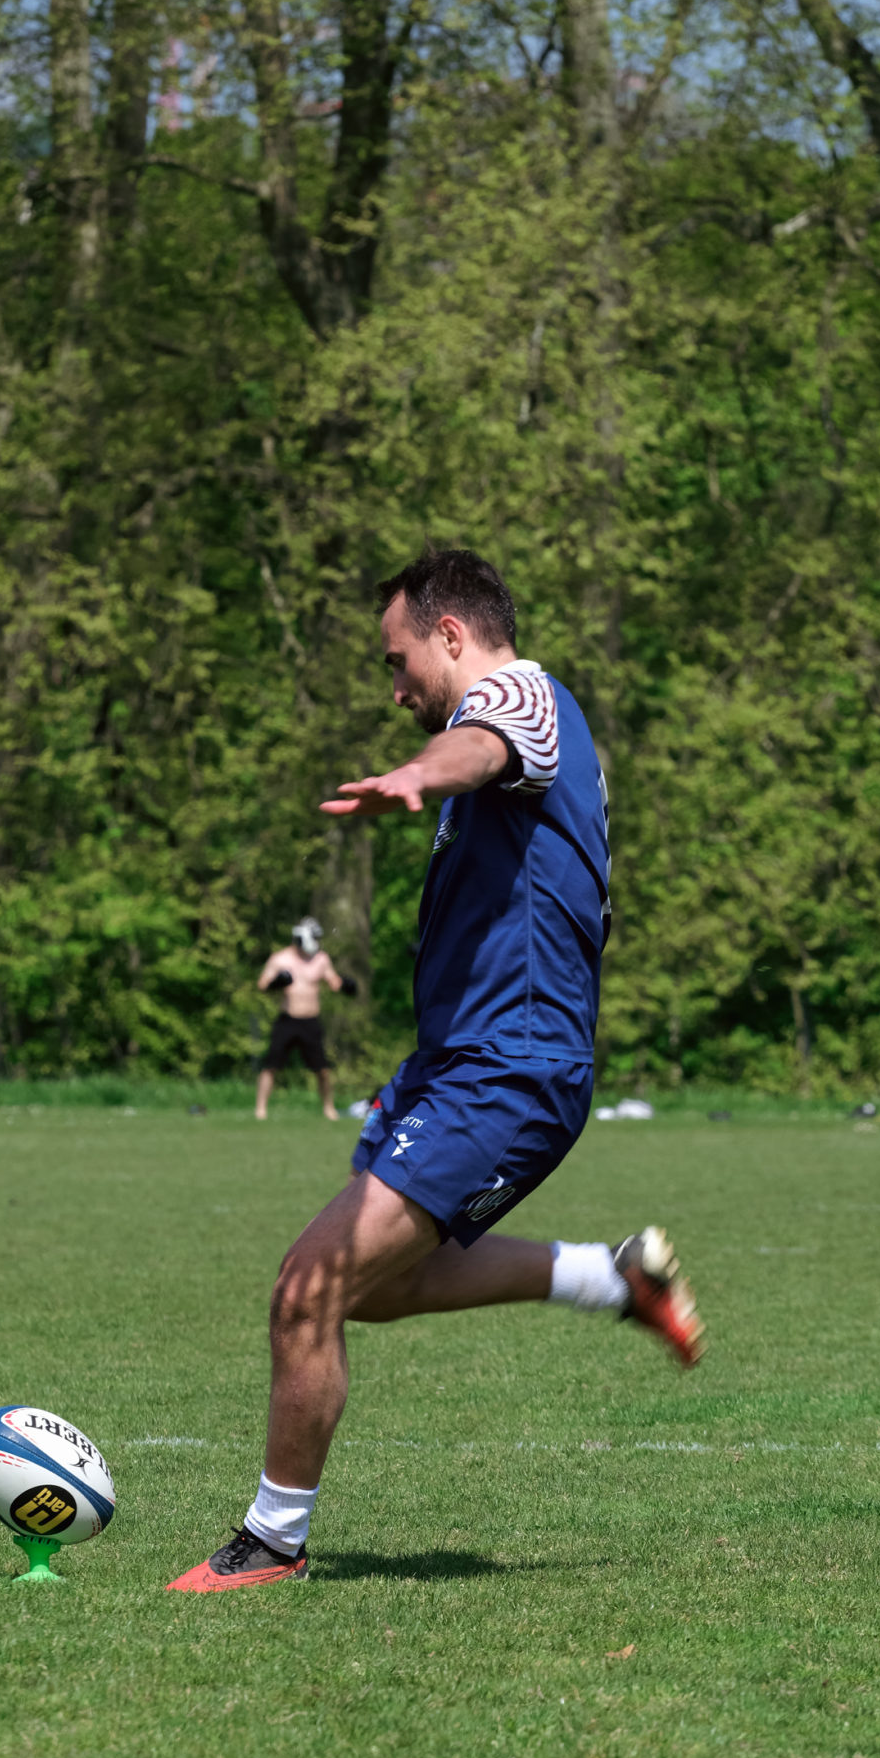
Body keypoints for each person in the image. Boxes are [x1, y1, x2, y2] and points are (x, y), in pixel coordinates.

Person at [169, 547, 704, 1592]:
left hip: (506, 1070)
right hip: (459, 1068)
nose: (394, 685)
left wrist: (419, 773)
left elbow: (487, 742)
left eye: (396, 658)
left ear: (450, 634)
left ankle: (271, 1542)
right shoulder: (508, 737)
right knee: (367, 1291)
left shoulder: (521, 698)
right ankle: (610, 1278)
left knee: (306, 1289)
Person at [255, 918, 351, 1122]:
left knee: (322, 1069)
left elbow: (333, 981)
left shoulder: (321, 959)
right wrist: (277, 982)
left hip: (310, 1021)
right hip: (287, 1020)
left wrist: (347, 985)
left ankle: (328, 1108)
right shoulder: (280, 959)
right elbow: (262, 985)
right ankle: (260, 1109)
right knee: (271, 1065)